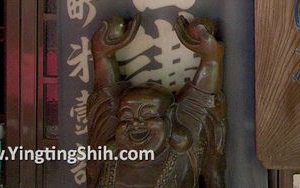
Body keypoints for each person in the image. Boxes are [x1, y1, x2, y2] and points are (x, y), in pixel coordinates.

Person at [87, 13, 226, 188]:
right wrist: (102, 57)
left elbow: (201, 101)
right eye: (126, 117)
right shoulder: (110, 153)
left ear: (170, 117)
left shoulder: (183, 147)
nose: (136, 123)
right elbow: (104, 102)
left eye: (149, 115)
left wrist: (211, 60)